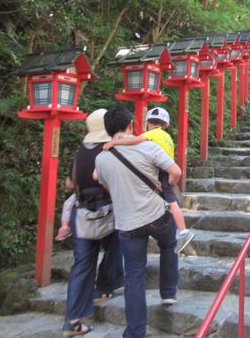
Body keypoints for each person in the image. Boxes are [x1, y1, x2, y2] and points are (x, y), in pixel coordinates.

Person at [95, 106, 182, 338]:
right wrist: (167, 187)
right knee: (169, 244)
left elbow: (103, 182)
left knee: (134, 274)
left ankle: (134, 332)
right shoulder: (148, 147)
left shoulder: (102, 158)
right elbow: (175, 171)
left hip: (127, 222)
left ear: (108, 131)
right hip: (156, 215)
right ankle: (168, 291)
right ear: (132, 124)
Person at [62, 109, 123, 337]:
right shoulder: (110, 151)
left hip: (82, 215)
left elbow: (69, 183)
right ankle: (105, 287)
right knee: (117, 246)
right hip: (110, 211)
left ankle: (72, 321)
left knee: (81, 267)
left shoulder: (79, 154)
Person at [103, 107, 194, 253]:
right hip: (167, 167)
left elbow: (135, 140)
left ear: (148, 123)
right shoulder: (168, 137)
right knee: (172, 203)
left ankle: (181, 231)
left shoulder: (151, 133)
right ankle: (183, 231)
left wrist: (114, 143)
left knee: (166, 200)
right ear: (166, 125)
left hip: (159, 170)